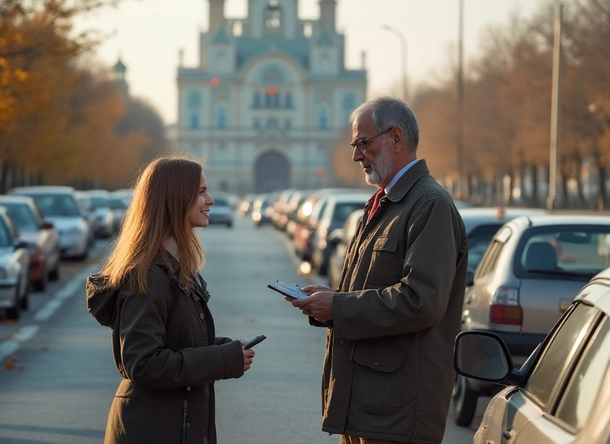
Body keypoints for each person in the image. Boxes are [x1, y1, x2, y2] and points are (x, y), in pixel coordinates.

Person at [290, 97, 468, 444]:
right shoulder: (385, 202)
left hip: (397, 414)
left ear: (396, 138)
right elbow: (371, 290)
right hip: (371, 408)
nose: (356, 156)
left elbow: (421, 300)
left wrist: (338, 307)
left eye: (362, 143)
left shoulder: (429, 204)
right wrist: (329, 302)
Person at [86, 155, 254, 444]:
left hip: (171, 425)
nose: (210, 200)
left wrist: (222, 348)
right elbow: (144, 362)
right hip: (152, 430)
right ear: (175, 199)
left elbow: (172, 342)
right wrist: (221, 359)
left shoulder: (174, 266)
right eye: (201, 193)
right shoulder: (149, 275)